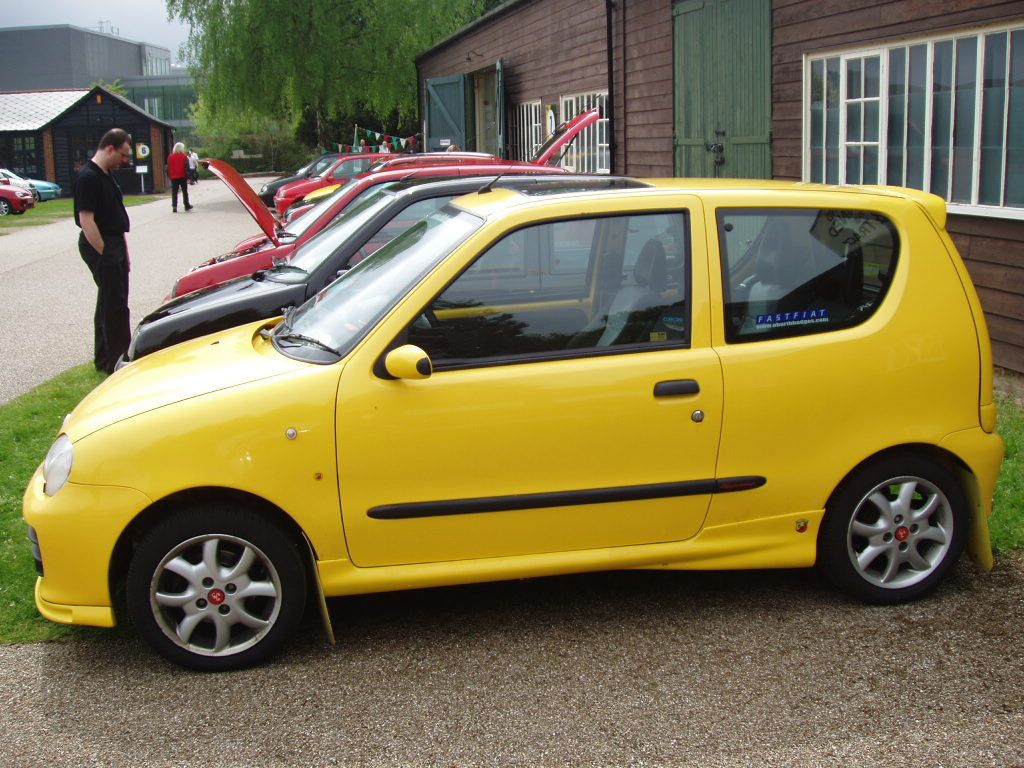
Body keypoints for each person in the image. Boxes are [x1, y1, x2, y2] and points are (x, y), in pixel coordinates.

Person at [73, 128, 133, 374]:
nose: (126, 160)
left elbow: (116, 220)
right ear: (110, 148)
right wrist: (106, 254)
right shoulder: (88, 177)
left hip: (114, 242)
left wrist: (124, 254)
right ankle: (117, 363)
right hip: (100, 243)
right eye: (124, 154)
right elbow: (87, 221)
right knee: (114, 305)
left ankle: (104, 359)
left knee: (109, 300)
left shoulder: (107, 174)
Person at [166, 142, 192, 212]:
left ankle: (174, 206)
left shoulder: (170, 157)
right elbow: (187, 168)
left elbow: (168, 167)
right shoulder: (184, 157)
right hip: (182, 176)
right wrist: (189, 177)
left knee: (174, 192)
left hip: (174, 177)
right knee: (184, 191)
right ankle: (186, 205)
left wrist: (169, 175)